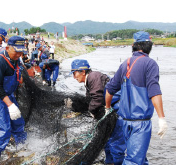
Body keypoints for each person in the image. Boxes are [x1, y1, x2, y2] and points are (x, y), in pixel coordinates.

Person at [105, 31, 168, 164]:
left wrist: (107, 108)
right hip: (140, 123)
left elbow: (109, 90)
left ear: (133, 45)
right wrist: (161, 118)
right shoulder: (150, 63)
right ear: (149, 46)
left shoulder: (124, 64)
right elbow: (154, 91)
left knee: (140, 157)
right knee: (134, 160)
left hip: (124, 121)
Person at [70, 59, 125, 165]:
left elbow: (97, 98)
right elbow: (90, 100)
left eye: (74, 73)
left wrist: (92, 111)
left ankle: (118, 163)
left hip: (118, 110)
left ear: (83, 71)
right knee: (106, 139)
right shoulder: (89, 80)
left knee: (115, 141)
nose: (74, 77)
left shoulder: (93, 77)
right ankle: (110, 162)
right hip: (109, 110)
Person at [0, 36, 27, 165]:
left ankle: (22, 150)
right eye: (17, 51)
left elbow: (17, 72)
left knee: (18, 123)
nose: (19, 55)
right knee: (3, 130)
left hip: (9, 95)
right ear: (8, 47)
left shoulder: (16, 58)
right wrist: (10, 105)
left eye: (22, 52)